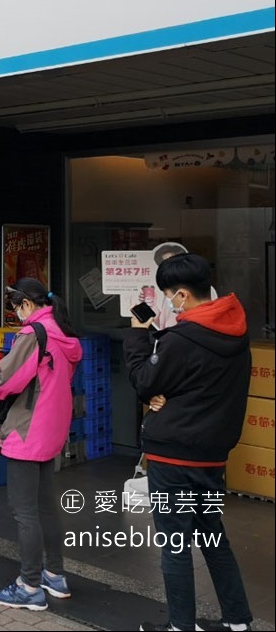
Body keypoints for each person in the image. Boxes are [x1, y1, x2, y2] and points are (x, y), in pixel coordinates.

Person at [124, 253, 253, 632]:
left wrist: (136, 333)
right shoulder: (237, 330)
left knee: (175, 544)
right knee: (214, 537)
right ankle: (238, 620)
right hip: (212, 456)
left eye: (169, 296)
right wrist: (168, 393)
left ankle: (181, 624)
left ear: (182, 294)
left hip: (173, 454)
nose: (169, 303)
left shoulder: (181, 339)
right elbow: (200, 386)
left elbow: (145, 382)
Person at [0, 278, 83, 610]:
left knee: (24, 511)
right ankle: (55, 575)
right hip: (53, 426)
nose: (15, 314)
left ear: (26, 304)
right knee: (45, 506)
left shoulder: (33, 335)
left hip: (28, 428)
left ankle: (29, 586)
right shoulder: (61, 332)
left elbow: (6, 381)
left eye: (15, 307)